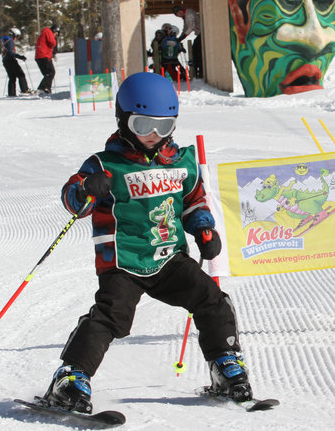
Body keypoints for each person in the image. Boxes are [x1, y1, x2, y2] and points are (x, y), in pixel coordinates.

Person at [42, 72, 252, 414]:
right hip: (123, 261)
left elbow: (193, 200)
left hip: (169, 259)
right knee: (111, 317)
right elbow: (73, 201)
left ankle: (224, 364)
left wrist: (203, 228)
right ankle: (70, 378)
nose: (154, 135)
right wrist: (85, 189)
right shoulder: (105, 165)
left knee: (212, 300)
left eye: (164, 126)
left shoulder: (180, 162)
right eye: (142, 125)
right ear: (123, 120)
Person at [173, 5, 203, 78]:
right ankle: (197, 69)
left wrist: (183, 36)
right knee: (195, 50)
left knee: (197, 51)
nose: (179, 16)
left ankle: (199, 70)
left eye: (178, 14)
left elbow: (191, 26)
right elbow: (185, 28)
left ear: (180, 11)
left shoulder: (189, 14)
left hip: (202, 33)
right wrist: (180, 38)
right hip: (199, 34)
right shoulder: (185, 16)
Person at [1, 28, 30, 96]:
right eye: (17, 36)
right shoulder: (10, 41)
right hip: (11, 60)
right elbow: (10, 53)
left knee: (12, 78)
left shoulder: (5, 41)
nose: (17, 38)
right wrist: (20, 57)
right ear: (14, 35)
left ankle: (11, 93)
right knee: (21, 75)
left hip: (5, 61)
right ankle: (25, 90)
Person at [35, 24, 59, 94]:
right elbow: (52, 42)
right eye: (56, 34)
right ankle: (43, 88)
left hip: (41, 56)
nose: (55, 36)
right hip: (44, 56)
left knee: (48, 73)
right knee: (50, 72)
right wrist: (55, 42)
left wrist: (52, 53)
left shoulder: (45, 32)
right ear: (54, 31)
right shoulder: (48, 32)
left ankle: (45, 88)